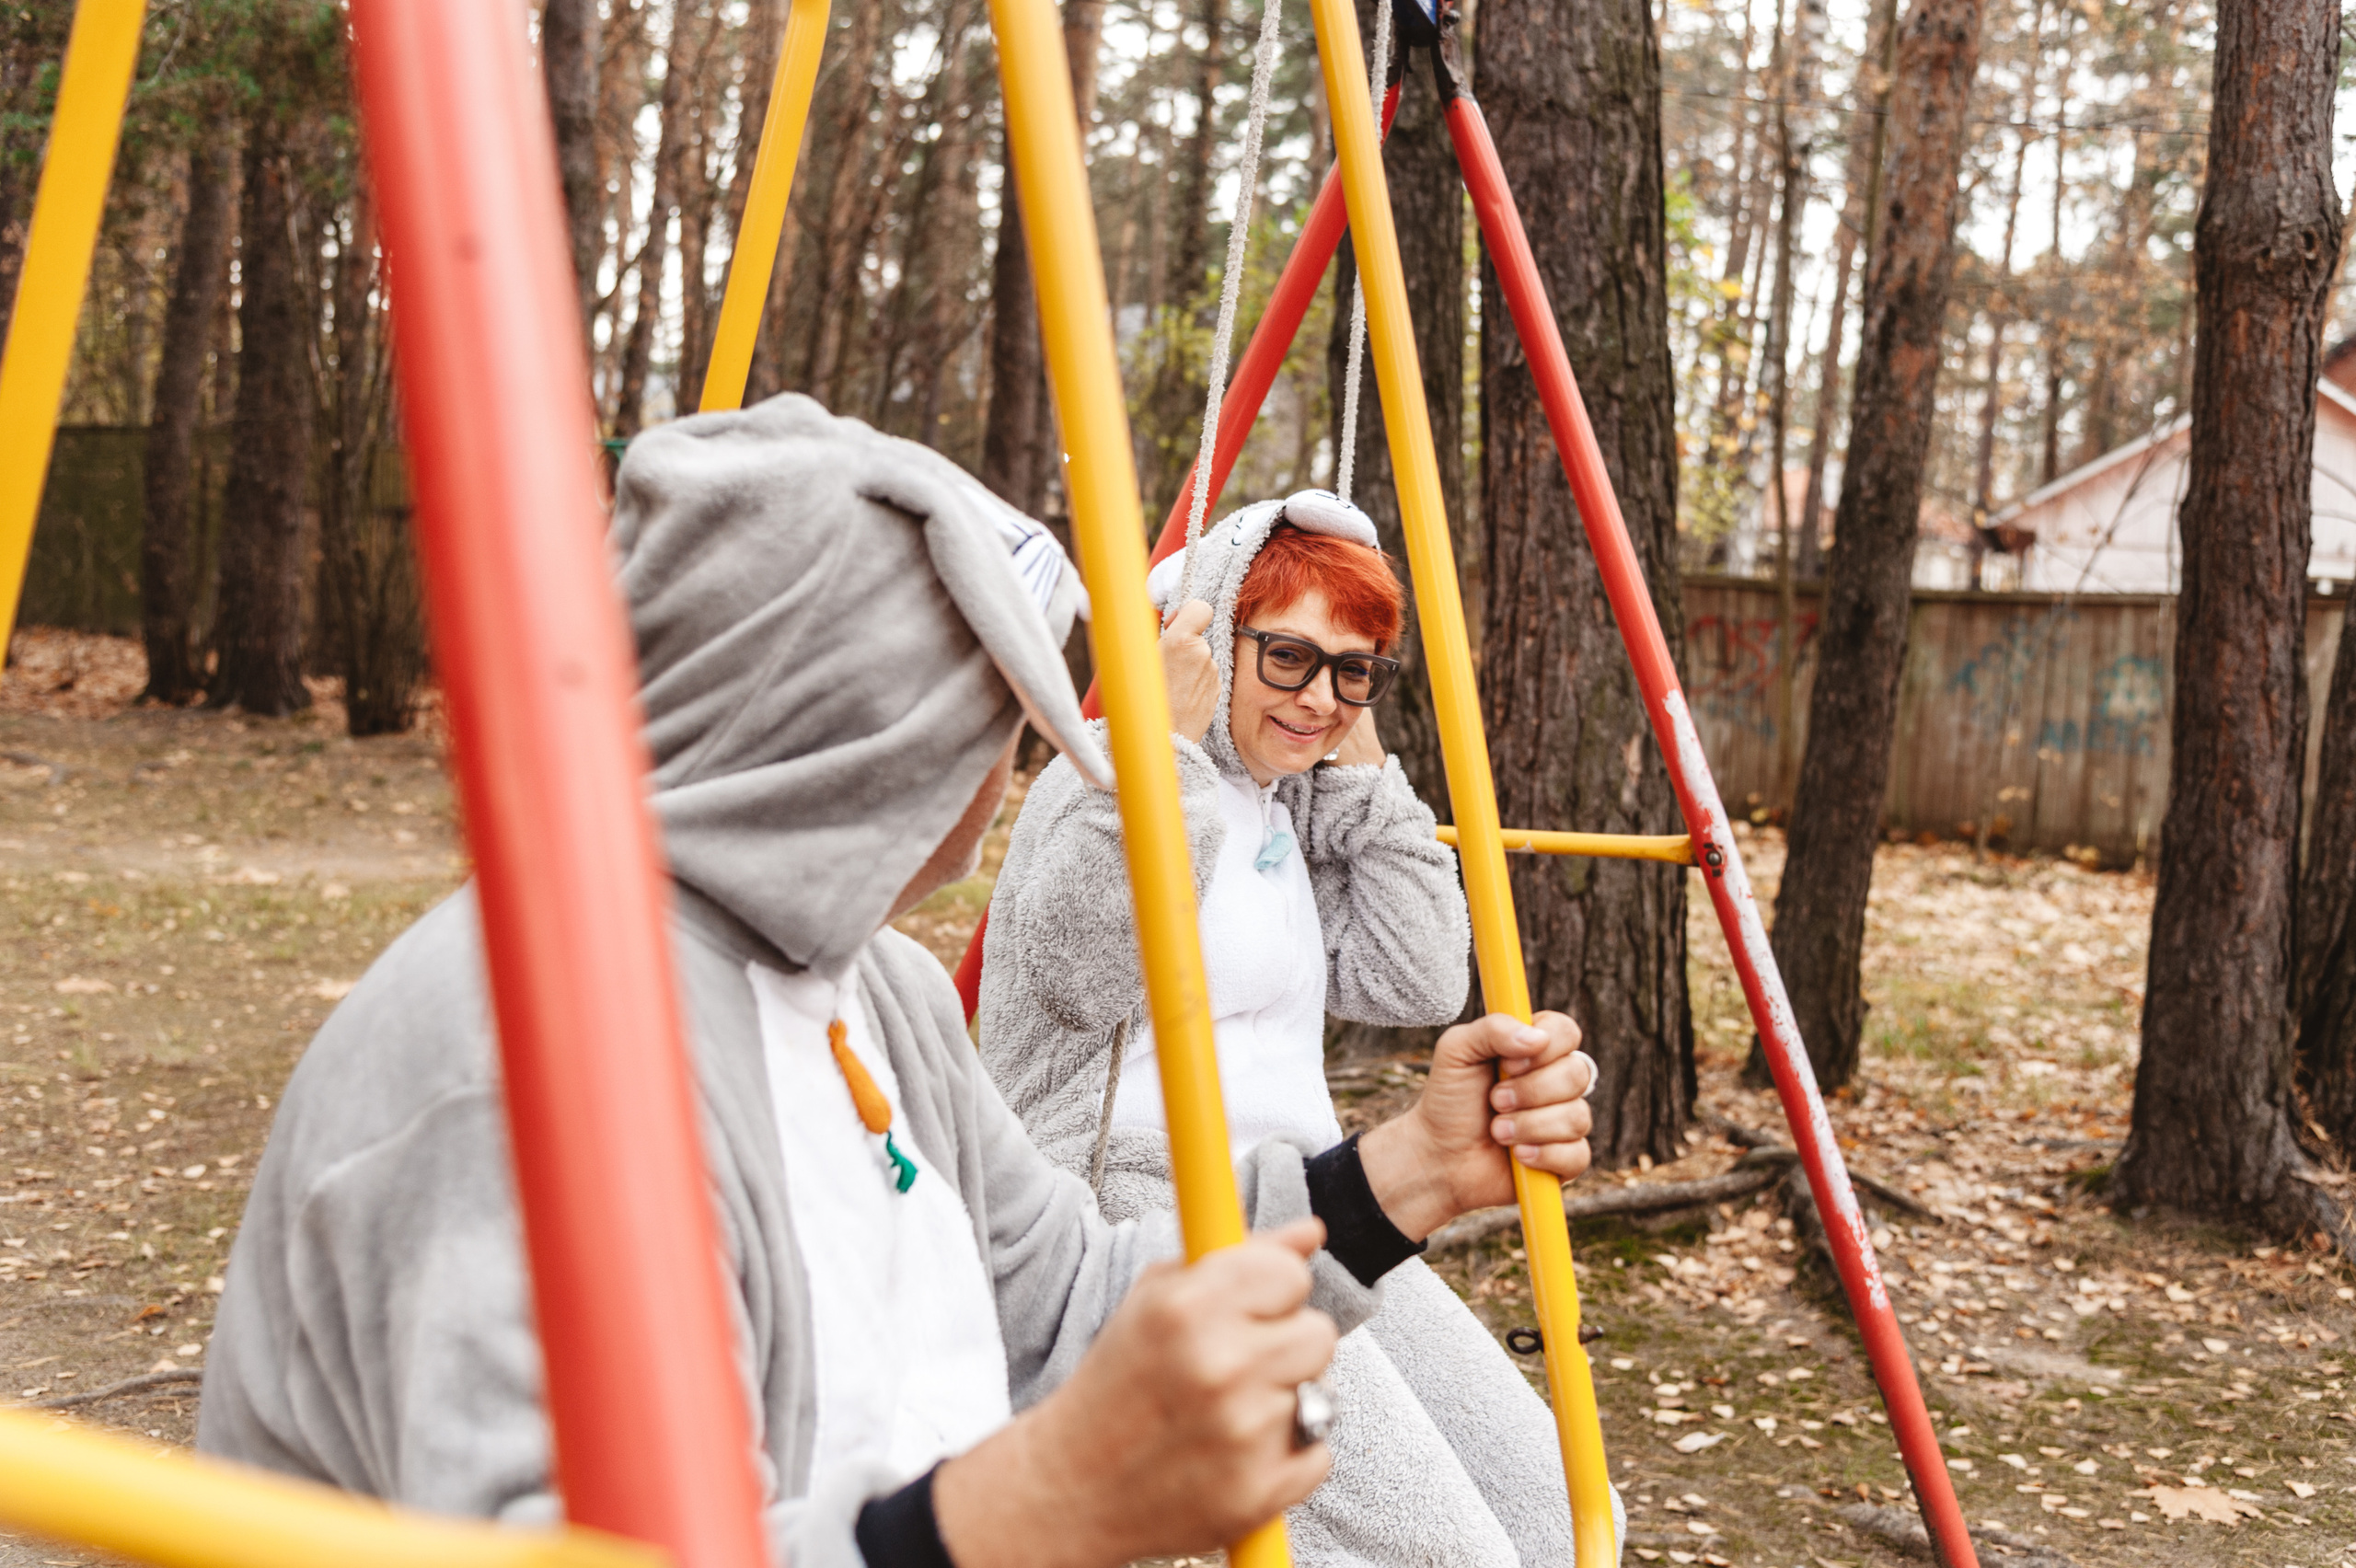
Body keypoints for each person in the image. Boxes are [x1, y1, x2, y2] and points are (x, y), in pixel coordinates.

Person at [196, 397, 1598, 1568]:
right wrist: (1027, 1511)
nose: (1008, 765)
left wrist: (1410, 1170)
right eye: (990, 712)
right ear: (863, 725)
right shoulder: (518, 1062)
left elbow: (1066, 1302)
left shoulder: (879, 992)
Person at [980, 490, 1611, 1566]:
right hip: (1141, 1202)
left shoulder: (1289, 810)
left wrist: (1364, 776)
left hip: (1310, 1201)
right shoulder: (1099, 776)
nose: (1319, 697)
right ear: (1203, 640)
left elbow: (1417, 980)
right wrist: (1163, 750)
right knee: (1446, 1556)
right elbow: (1084, 974)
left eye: (1352, 670)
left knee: (1556, 1508)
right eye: (1287, 657)